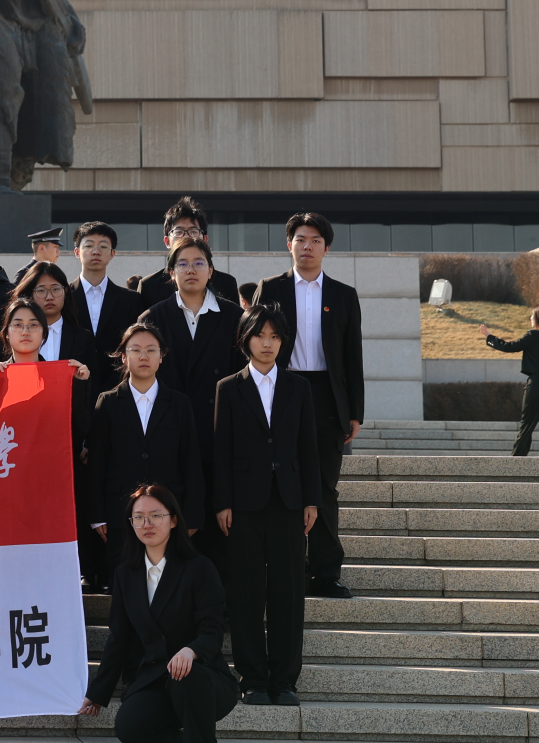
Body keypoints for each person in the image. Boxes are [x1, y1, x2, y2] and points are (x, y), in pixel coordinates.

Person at [77, 482, 236, 743]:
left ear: (173, 520)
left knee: (186, 678)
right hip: (152, 678)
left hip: (203, 678)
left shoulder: (199, 568)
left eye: (155, 515)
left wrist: (191, 650)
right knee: (130, 727)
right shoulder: (125, 574)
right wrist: (98, 692)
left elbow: (212, 629)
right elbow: (119, 639)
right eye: (138, 517)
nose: (147, 524)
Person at [212, 303, 320, 708]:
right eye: (260, 335)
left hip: (289, 502)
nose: (268, 343)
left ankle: (285, 680)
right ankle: (253, 678)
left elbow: (309, 448)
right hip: (243, 505)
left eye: (275, 336)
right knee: (247, 593)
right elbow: (221, 450)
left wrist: (311, 500)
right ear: (246, 340)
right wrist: (222, 502)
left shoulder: (299, 387)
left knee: (288, 593)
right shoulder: (228, 387)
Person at [254, 213, 364, 600]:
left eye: (316, 240)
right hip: (281, 392)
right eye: (300, 239)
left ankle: (326, 571)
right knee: (284, 486)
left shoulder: (343, 295)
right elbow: (252, 344)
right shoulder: (270, 288)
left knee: (324, 489)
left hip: (327, 398)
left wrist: (355, 412)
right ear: (289, 244)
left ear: (326, 248)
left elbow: (352, 356)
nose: (307, 246)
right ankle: (291, 568)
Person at [10, 260, 108, 584]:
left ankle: (81, 572)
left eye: (56, 289)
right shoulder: (16, 336)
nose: (49, 296)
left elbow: (94, 393)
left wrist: (87, 440)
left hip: (69, 442)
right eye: (41, 290)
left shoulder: (83, 338)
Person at [148, 238, 242, 558]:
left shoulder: (234, 317)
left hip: (218, 432)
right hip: (169, 432)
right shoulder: (153, 317)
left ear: (211, 271)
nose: (191, 270)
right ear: (171, 273)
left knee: (218, 527)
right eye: (183, 264)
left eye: (199, 263)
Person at [88, 324, 203, 567]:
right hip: (120, 513)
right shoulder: (107, 402)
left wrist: (192, 515)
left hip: (168, 512)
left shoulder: (179, 404)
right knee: (124, 579)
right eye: (136, 350)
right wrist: (97, 516)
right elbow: (97, 462)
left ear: (161, 356)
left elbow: (190, 460)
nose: (143, 356)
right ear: (123, 356)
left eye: (151, 350)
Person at [483, 305, 539, 457]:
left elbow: (509, 347)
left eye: (532, 316)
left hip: (538, 384)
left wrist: (490, 337)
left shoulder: (533, 335)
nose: (530, 318)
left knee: (528, 424)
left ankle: (518, 457)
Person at [131, 199, 239, 309]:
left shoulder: (226, 283)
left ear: (205, 240)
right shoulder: (149, 285)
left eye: (193, 232)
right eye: (178, 232)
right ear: (167, 241)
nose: (186, 237)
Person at [63, 222, 151, 356]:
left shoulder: (130, 300)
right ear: (77, 252)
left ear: (112, 253)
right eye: (89, 246)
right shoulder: (63, 296)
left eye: (103, 246)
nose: (96, 251)